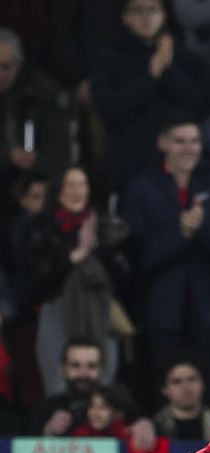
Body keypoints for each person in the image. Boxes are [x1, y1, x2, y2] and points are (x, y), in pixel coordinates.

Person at [120, 115, 210, 394]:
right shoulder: (142, 188)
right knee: (163, 385)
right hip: (162, 310)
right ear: (162, 143)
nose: (189, 148)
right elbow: (139, 258)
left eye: (195, 141)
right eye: (180, 141)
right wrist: (182, 235)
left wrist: (200, 229)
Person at [21, 166, 130, 397]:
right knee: (59, 389)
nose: (77, 191)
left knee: (103, 391)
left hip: (101, 316)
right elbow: (34, 282)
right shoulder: (40, 227)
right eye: (70, 185)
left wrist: (102, 248)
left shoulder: (105, 227)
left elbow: (125, 277)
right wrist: (77, 254)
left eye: (82, 184)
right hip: (57, 314)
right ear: (58, 191)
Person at [92, 0, 210, 192]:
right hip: (129, 166)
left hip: (179, 171)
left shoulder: (186, 59)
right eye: (138, 10)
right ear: (125, 18)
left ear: (164, 15)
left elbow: (199, 107)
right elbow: (111, 112)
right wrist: (152, 76)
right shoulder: (108, 59)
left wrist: (167, 70)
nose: (146, 17)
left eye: (153, 9)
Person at [36, 340, 156, 451]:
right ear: (63, 368)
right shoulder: (48, 407)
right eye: (75, 365)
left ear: (101, 369)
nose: (83, 373)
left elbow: (141, 419)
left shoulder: (118, 401)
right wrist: (48, 432)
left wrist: (145, 424)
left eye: (91, 366)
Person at [0, 27, 72, 190]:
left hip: (37, 183)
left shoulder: (41, 93)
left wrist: (36, 161)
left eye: (6, 67)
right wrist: (8, 156)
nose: (0, 74)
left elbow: (60, 151)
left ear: (18, 65)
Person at [152, 360, 210, 441]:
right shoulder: (153, 428)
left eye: (191, 379)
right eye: (176, 382)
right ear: (164, 390)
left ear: (203, 384)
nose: (186, 387)